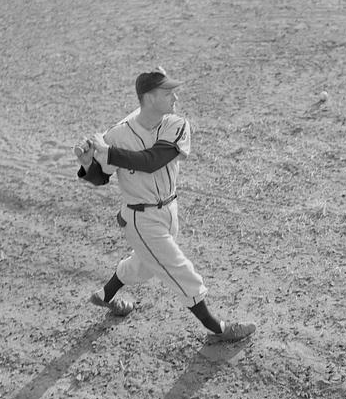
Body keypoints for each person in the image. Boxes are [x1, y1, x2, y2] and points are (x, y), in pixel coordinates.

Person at [74, 68, 256, 343]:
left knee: (145, 265)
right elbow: (101, 178)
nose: (176, 98)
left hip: (170, 212)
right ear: (148, 98)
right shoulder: (118, 134)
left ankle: (105, 295)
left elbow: (151, 161)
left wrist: (107, 151)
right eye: (168, 92)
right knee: (178, 268)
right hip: (140, 218)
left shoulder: (176, 124)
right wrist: (89, 162)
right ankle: (217, 328)